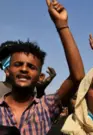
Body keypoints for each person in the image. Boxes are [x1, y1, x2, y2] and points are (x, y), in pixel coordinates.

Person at [0, 0, 85, 134]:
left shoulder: (46, 106)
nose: (24, 69)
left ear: (40, 76)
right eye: (18, 64)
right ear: (7, 70)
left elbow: (78, 76)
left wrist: (62, 25)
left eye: (31, 67)